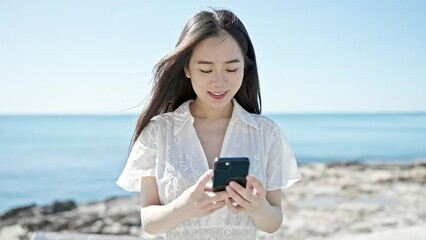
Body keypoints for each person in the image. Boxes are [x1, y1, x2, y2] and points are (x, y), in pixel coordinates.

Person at [116, 8, 301, 240]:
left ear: (245, 68)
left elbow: (273, 222)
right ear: (187, 68)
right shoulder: (158, 132)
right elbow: (150, 223)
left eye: (232, 68)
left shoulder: (266, 133)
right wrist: (182, 207)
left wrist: (258, 208)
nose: (219, 81)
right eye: (206, 69)